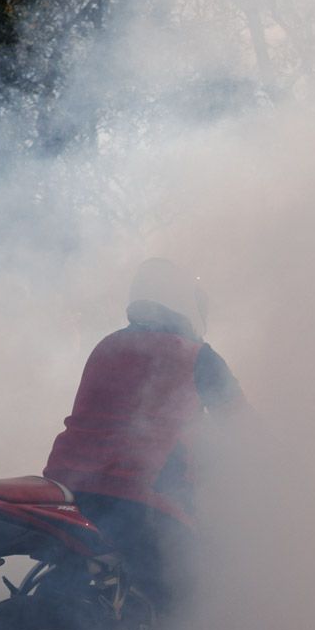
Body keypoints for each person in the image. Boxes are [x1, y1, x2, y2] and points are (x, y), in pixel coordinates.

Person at [43, 258, 246, 609]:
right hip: (142, 500)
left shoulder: (107, 345)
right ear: (185, 302)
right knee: (201, 591)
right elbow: (243, 425)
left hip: (67, 492)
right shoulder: (199, 357)